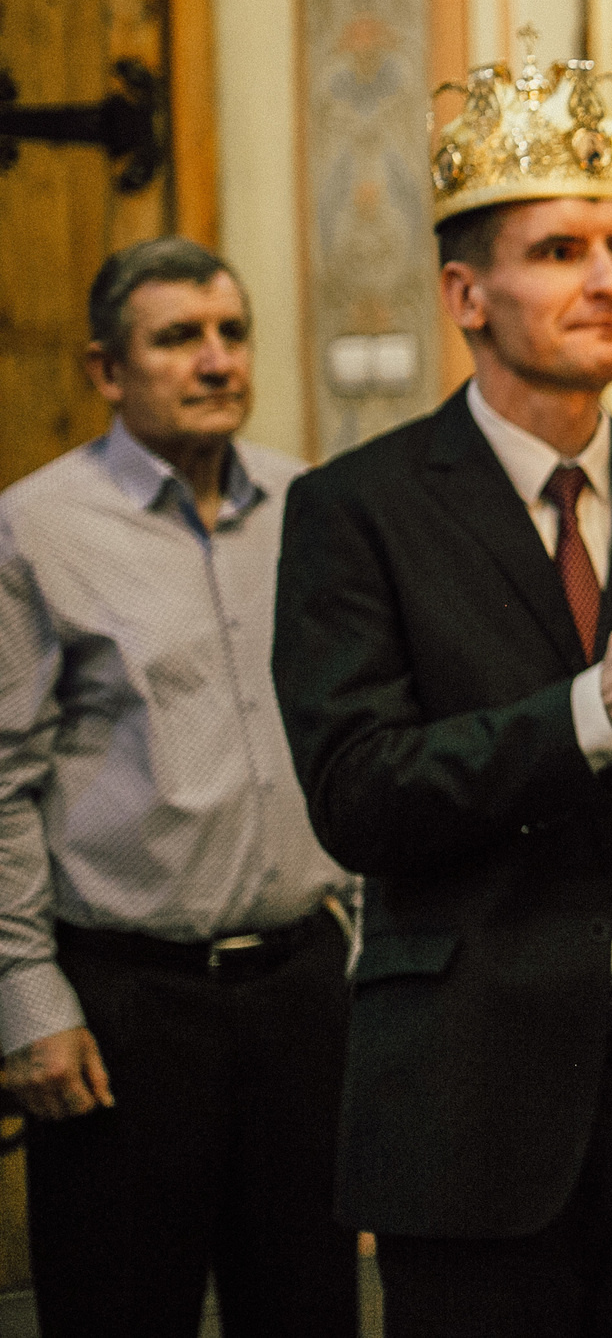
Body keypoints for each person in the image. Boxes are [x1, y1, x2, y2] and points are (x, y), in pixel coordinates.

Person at [271, 39, 612, 1337]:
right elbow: (357, 791)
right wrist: (588, 718)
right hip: (473, 1077)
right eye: (562, 251)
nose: (610, 277)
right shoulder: (360, 508)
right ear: (467, 290)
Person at [0, 237, 359, 1337]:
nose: (216, 362)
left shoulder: (314, 503)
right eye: (178, 340)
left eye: (232, 333)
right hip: (128, 1006)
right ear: (108, 370)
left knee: (308, 1307)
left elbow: (356, 737)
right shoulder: (37, 529)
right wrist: (29, 1005)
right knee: (121, 1309)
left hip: (303, 990)